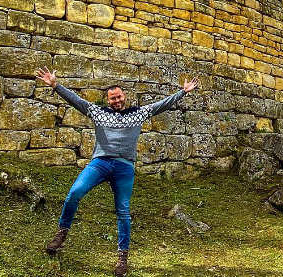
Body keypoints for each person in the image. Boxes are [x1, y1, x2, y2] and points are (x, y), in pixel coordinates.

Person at [35, 66, 199, 277]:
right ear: (107, 100)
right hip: (100, 163)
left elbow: (162, 105)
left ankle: (122, 257)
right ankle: (61, 233)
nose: (117, 101)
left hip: (124, 167)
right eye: (113, 98)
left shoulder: (138, 113)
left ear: (124, 96)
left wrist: (183, 92)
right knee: (75, 193)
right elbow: (76, 101)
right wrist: (56, 85)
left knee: (123, 211)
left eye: (119, 96)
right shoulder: (98, 112)